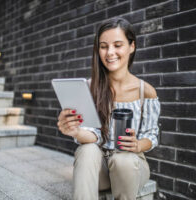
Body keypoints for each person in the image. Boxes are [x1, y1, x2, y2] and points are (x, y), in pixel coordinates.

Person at [57, 17, 160, 200]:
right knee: (87, 150)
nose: (110, 52)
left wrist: (137, 145)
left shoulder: (146, 91)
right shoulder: (89, 87)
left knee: (123, 160)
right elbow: (92, 136)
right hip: (99, 170)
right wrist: (75, 130)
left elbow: (151, 136)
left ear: (132, 46)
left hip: (132, 167)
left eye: (117, 45)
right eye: (104, 46)